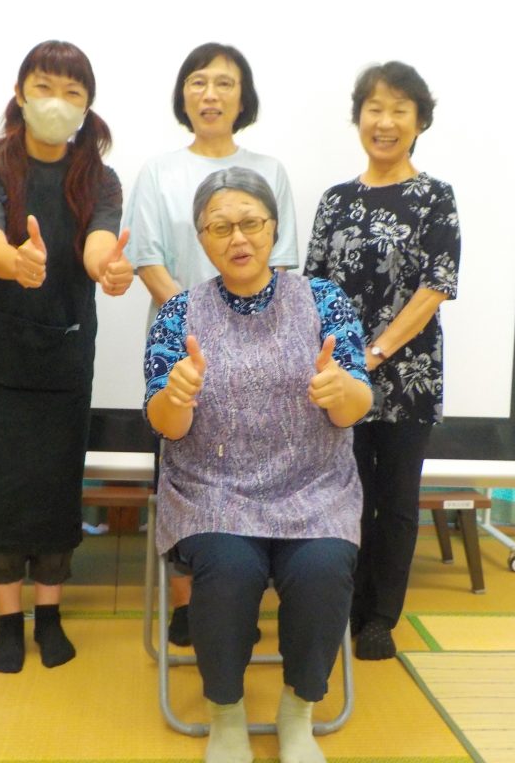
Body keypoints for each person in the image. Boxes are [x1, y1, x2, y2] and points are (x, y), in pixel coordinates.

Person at [145, 167, 371, 763]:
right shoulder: (178, 312)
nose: (238, 238)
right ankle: (226, 716)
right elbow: (166, 425)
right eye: (220, 227)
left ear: (273, 227)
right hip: (212, 491)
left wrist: (340, 390)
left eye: (250, 222)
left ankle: (298, 713)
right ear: (202, 238)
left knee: (324, 568)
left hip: (315, 489)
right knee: (228, 570)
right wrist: (176, 396)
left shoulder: (324, 300)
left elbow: (356, 404)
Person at [0, 40, 133, 674]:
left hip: (62, 353)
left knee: (53, 485)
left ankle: (49, 613)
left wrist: (106, 268)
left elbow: (98, 242)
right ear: (21, 94)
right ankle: (6, 619)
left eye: (72, 93)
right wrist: (14, 261)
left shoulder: (98, 177)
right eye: (45, 87)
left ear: (87, 107)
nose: (57, 102)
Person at [124, 42, 299, 647]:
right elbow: (147, 260)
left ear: (243, 98)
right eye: (198, 82)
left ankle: (240, 598)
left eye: (225, 83)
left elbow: (282, 262)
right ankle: (185, 604)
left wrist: (239, 332)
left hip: (262, 350)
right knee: (183, 474)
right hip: (182, 350)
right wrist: (200, 328)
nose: (211, 94)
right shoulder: (158, 172)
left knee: (257, 472)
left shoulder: (270, 170)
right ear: (184, 95)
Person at [303, 61, 461, 661]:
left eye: (399, 109)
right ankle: (339, 607)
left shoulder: (435, 198)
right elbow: (314, 288)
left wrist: (373, 353)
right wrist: (339, 360)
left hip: (407, 376)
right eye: (374, 108)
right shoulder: (336, 200)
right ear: (358, 118)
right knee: (343, 495)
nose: (385, 121)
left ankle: (379, 619)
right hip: (340, 376)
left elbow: (435, 288)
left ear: (420, 121)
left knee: (394, 501)